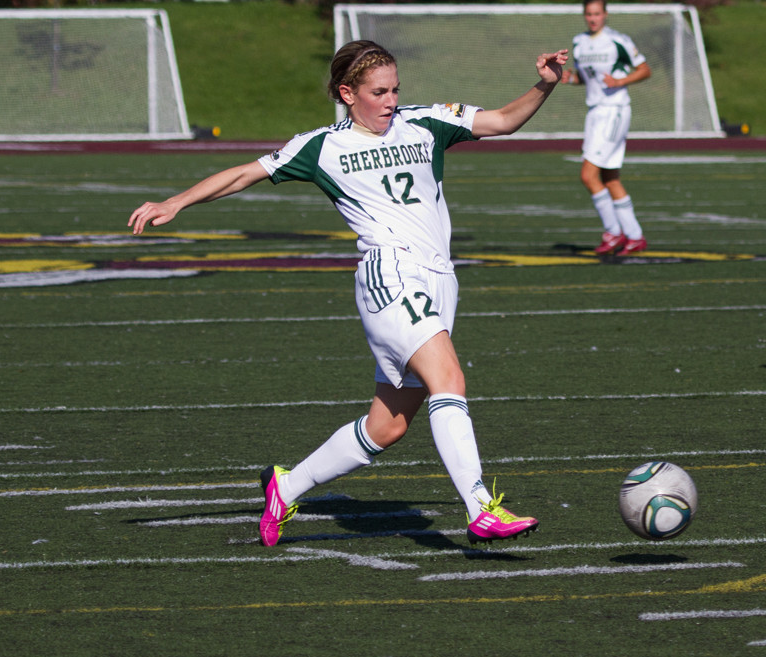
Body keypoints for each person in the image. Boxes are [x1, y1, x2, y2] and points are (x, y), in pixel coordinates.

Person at [129, 40, 568, 548]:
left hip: (439, 278)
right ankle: (480, 508)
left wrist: (545, 85)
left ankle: (286, 487)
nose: (390, 100)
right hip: (389, 274)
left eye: (395, 89)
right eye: (378, 92)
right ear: (347, 93)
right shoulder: (321, 145)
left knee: (387, 427)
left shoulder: (426, 122)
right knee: (448, 377)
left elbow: (503, 121)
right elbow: (246, 173)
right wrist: (175, 202)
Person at [562, 0, 651, 256]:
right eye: (589, 14)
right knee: (610, 179)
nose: (593, 18)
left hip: (614, 111)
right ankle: (634, 236)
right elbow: (585, 78)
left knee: (588, 176)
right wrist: (571, 79)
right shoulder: (579, 42)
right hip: (595, 113)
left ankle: (613, 232)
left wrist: (621, 80)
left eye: (597, 14)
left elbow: (645, 69)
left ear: (606, 14)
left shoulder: (617, 40)